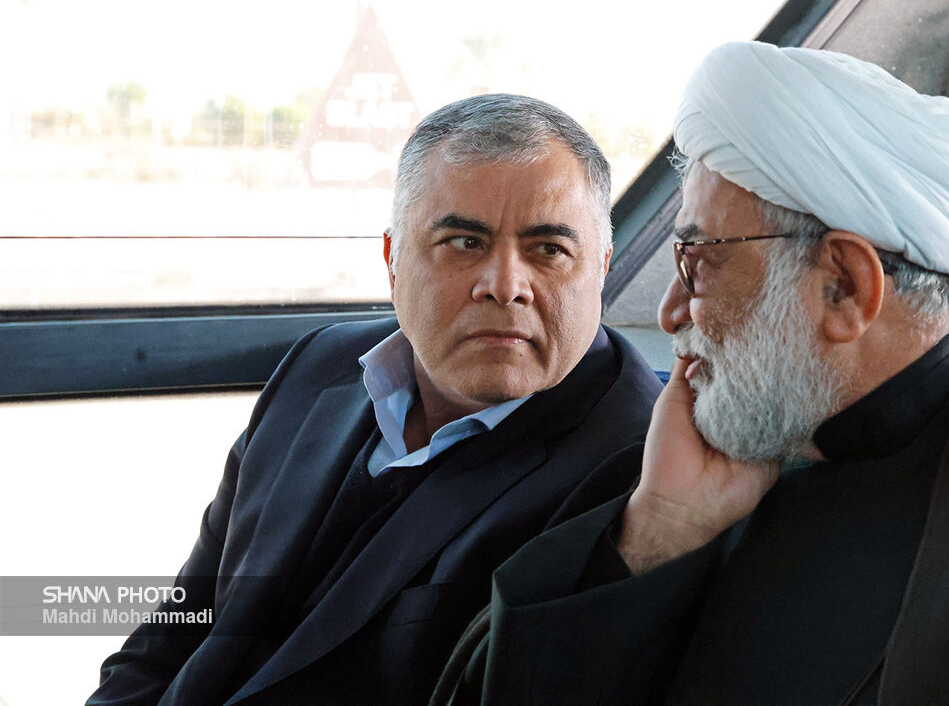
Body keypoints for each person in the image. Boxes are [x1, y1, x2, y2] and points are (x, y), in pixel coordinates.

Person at [437, 43, 949, 705]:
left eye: (700, 263)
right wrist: (656, 533)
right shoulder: (717, 440)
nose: (669, 312)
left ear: (845, 286)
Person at [87, 94, 663, 705]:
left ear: (602, 267)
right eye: (464, 242)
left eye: (548, 250)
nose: (504, 286)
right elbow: (176, 629)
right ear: (393, 260)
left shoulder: (639, 466)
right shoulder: (318, 367)